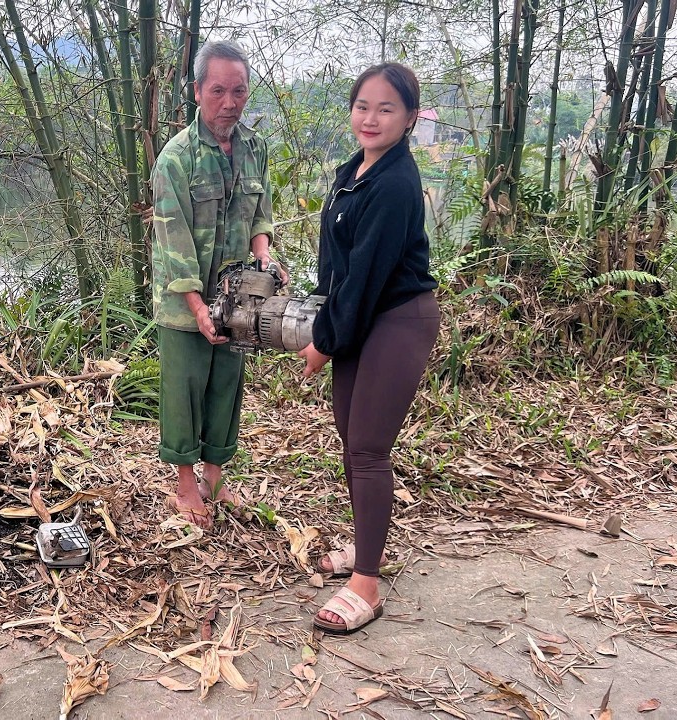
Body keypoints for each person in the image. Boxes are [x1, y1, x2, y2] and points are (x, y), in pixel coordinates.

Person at [297, 62, 440, 634]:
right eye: (362, 106)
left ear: (409, 118)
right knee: (350, 437)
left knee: (368, 448)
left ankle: (368, 585)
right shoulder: (352, 171)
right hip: (359, 318)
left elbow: (366, 276)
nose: (370, 118)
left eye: (386, 108)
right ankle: (366, 544)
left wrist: (324, 341)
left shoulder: (397, 184)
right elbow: (336, 266)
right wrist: (321, 312)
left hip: (398, 318)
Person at [149, 39, 288, 530]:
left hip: (240, 299)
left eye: (238, 92)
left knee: (226, 386)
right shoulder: (175, 159)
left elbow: (260, 217)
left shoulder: (255, 148)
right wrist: (196, 305)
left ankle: (216, 478)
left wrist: (265, 259)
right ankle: (186, 488)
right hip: (182, 300)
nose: (229, 103)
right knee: (185, 388)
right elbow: (173, 239)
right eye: (217, 91)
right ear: (196, 92)